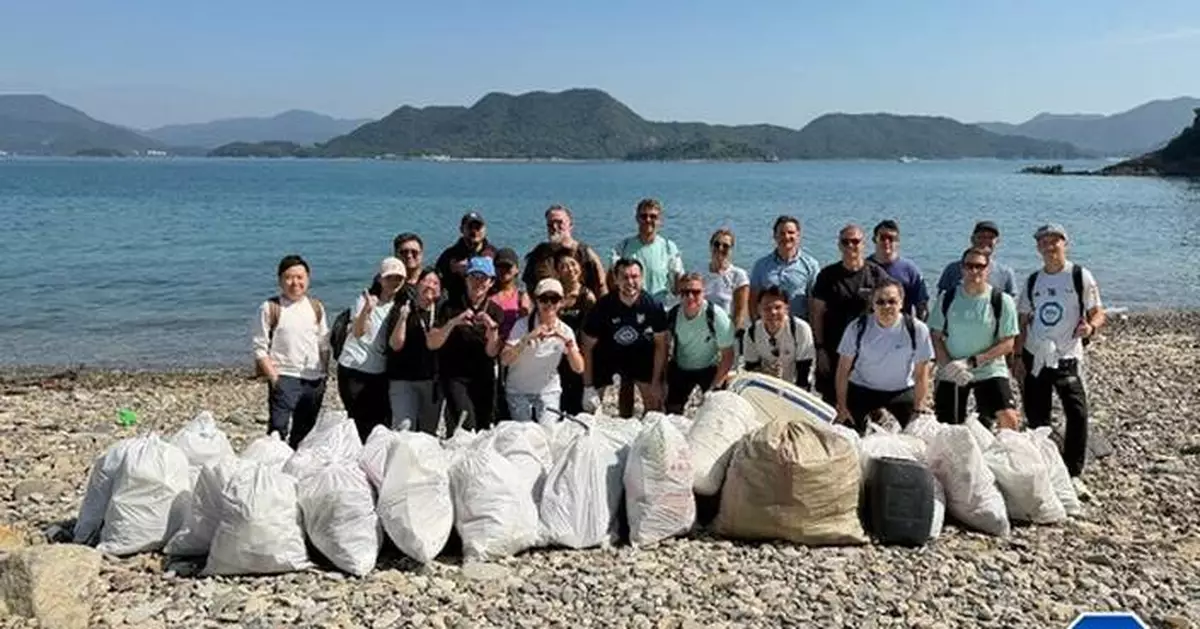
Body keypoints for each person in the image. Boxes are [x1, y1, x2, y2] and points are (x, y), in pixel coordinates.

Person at [1016, 223, 1104, 489]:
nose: (1049, 247)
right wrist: (1018, 356)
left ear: (1065, 243)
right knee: (1036, 415)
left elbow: (1098, 312)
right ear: (1038, 248)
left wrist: (1091, 328)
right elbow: (1022, 320)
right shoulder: (1033, 280)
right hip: (1036, 355)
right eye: (1044, 242)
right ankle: (1043, 465)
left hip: (1067, 356)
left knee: (1077, 413)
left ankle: (1073, 470)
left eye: (1054, 241)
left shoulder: (1079, 276)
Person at [928, 247, 1020, 429]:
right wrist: (948, 365)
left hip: (990, 369)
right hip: (953, 369)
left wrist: (972, 362)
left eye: (979, 266)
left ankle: (1004, 447)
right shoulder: (947, 298)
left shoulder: (1002, 300)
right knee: (948, 428)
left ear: (988, 269)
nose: (974, 271)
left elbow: (1008, 343)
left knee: (1009, 419)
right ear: (962, 269)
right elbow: (935, 336)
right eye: (969, 266)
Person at [835, 279, 935, 434]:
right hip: (862, 387)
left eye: (892, 301)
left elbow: (921, 373)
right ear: (872, 304)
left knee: (917, 434)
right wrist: (842, 406)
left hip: (901, 390)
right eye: (880, 302)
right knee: (848, 434)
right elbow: (843, 369)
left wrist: (919, 408)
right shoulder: (857, 327)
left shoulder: (917, 329)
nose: (886, 306)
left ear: (901, 303)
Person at [251, 255, 329, 448]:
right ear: (280, 280)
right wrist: (274, 378)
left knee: (306, 432)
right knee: (278, 431)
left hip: (313, 379)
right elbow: (260, 347)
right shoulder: (270, 307)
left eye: (300, 277)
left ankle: (297, 463)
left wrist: (324, 373)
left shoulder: (316, 307)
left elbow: (323, 343)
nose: (295, 283)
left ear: (308, 279)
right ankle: (274, 464)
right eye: (289, 277)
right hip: (284, 375)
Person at [810, 224, 891, 406]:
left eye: (855, 241)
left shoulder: (876, 275)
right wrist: (819, 348)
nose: (851, 246)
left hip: (868, 351)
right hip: (834, 348)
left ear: (864, 244)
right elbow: (817, 313)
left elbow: (891, 310)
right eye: (845, 242)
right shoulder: (827, 276)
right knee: (831, 402)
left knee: (867, 403)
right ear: (839, 245)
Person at [582, 258, 669, 418]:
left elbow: (661, 345)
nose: (630, 282)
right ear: (616, 279)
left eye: (635, 276)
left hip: (640, 354)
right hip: (608, 353)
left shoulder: (653, 306)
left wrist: (656, 382)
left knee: (655, 403)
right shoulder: (603, 307)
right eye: (625, 277)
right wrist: (588, 386)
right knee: (590, 406)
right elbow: (587, 345)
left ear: (642, 278)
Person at [427, 257, 504, 434]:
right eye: (473, 277)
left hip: (483, 376)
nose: (478, 282)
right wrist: (454, 322)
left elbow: (492, 352)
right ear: (466, 279)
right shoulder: (449, 307)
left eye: (483, 278)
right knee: (466, 424)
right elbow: (432, 343)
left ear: (491, 282)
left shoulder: (495, 311)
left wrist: (491, 328)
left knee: (484, 428)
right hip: (455, 376)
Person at [338, 257, 406, 441]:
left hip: (379, 372)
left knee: (381, 423)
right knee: (358, 423)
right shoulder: (365, 299)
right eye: (389, 277)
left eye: (399, 278)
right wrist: (367, 310)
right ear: (380, 279)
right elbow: (358, 332)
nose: (394, 282)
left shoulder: (402, 305)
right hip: (353, 368)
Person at [501, 279, 585, 422]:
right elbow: (504, 360)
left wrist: (569, 345)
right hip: (518, 390)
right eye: (544, 299)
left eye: (554, 299)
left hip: (548, 391)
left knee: (548, 431)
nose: (549, 304)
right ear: (536, 301)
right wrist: (526, 339)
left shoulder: (565, 330)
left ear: (561, 302)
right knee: (524, 431)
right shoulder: (521, 326)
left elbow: (579, 368)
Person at [663, 273, 736, 414]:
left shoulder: (716, 316)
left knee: (716, 408)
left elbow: (728, 354)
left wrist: (714, 387)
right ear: (679, 294)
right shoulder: (673, 315)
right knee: (671, 411)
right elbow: (664, 348)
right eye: (685, 292)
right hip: (681, 367)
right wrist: (661, 381)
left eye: (696, 292)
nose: (690, 297)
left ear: (704, 292)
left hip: (709, 367)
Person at [386, 267, 443, 436]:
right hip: (403, 379)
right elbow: (395, 345)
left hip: (432, 381)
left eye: (435, 283)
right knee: (403, 429)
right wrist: (403, 318)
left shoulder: (442, 311)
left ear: (440, 290)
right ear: (417, 285)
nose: (430, 285)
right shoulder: (402, 308)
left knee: (428, 433)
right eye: (426, 281)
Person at [522, 205, 608, 298]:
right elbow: (529, 285)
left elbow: (601, 286)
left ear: (570, 225)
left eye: (560, 222)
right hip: (548, 305)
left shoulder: (585, 253)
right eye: (550, 224)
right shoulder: (539, 253)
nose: (555, 227)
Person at [611, 198, 684, 305]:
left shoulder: (669, 247)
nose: (648, 220)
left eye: (653, 216)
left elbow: (677, 290)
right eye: (643, 216)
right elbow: (613, 285)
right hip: (631, 308)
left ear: (660, 220)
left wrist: (678, 275)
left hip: (660, 309)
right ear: (637, 218)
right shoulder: (623, 247)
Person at [743, 286, 816, 389]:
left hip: (795, 388)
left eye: (778, 307)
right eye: (767, 308)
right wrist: (766, 374)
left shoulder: (800, 329)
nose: (773, 312)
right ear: (759, 310)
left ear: (786, 309)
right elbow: (750, 368)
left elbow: (805, 369)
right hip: (764, 387)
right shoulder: (751, 333)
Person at [749, 215, 820, 321]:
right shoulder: (761, 266)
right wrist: (756, 325)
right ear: (775, 236)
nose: (786, 237)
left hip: (799, 325)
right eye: (782, 233)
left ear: (798, 235)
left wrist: (814, 329)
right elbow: (753, 301)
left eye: (791, 232)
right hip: (769, 325)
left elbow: (814, 304)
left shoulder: (811, 265)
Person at [553, 247, 597, 414]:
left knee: (578, 404)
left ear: (580, 267)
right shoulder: (554, 295)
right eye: (564, 266)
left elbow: (591, 332)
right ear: (557, 272)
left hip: (579, 353)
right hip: (556, 354)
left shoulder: (587, 297)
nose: (570, 269)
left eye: (573, 264)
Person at [490, 248, 531, 422]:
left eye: (508, 267)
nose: (504, 271)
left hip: (516, 352)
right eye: (500, 266)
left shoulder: (522, 296)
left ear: (516, 270)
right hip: (494, 353)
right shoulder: (488, 295)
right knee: (496, 396)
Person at [867, 220, 930, 319]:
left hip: (901, 325)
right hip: (870, 325)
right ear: (874, 240)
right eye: (882, 238)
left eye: (891, 238)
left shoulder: (910, 270)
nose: (886, 242)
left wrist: (919, 326)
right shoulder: (864, 268)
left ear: (897, 241)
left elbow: (921, 305)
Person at [936, 221, 1018, 297]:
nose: (985, 240)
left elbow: (1011, 303)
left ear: (997, 241)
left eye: (991, 237)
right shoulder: (952, 269)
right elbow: (941, 299)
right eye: (981, 237)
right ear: (972, 239)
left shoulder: (1006, 273)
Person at [435, 211, 497, 304]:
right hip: (456, 305)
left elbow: (503, 282)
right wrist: (453, 271)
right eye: (470, 227)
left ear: (485, 229)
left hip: (487, 305)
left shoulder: (494, 254)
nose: (474, 231)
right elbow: (438, 283)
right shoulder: (449, 255)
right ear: (461, 229)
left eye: (478, 227)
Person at [704, 228, 750, 337]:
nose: (720, 248)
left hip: (726, 333)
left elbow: (740, 312)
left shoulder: (738, 275)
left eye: (726, 246)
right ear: (710, 246)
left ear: (731, 250)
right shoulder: (699, 273)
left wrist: (729, 337)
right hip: (702, 333)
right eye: (716, 244)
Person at [392, 232, 427, 301]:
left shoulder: (432, 282)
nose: (409, 256)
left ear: (421, 254)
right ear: (396, 255)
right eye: (404, 252)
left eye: (414, 252)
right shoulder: (387, 283)